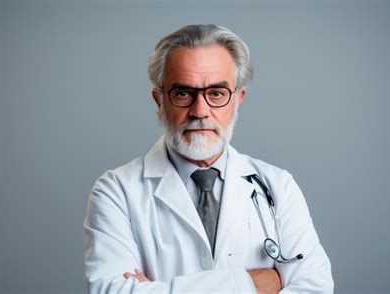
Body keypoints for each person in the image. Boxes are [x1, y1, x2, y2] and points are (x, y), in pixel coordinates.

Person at [84, 24, 334, 293]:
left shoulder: (279, 186)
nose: (200, 110)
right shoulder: (116, 191)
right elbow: (111, 291)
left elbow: (315, 287)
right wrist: (252, 283)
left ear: (238, 100)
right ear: (159, 100)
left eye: (216, 93)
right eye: (183, 93)